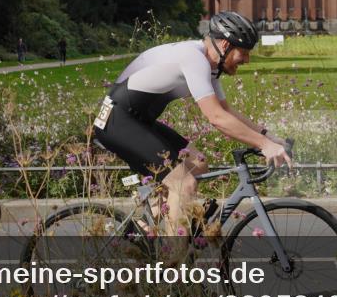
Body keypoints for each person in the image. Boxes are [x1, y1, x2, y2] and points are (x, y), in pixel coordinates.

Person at [92, 11, 291, 230]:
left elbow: (226, 110)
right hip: (117, 121)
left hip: (137, 121)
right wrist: (264, 146)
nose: (246, 60)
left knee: (198, 162)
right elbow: (216, 118)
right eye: (243, 52)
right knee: (183, 184)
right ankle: (174, 261)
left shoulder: (209, 65)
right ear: (225, 45)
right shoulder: (194, 58)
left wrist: (267, 137)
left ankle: (144, 228)